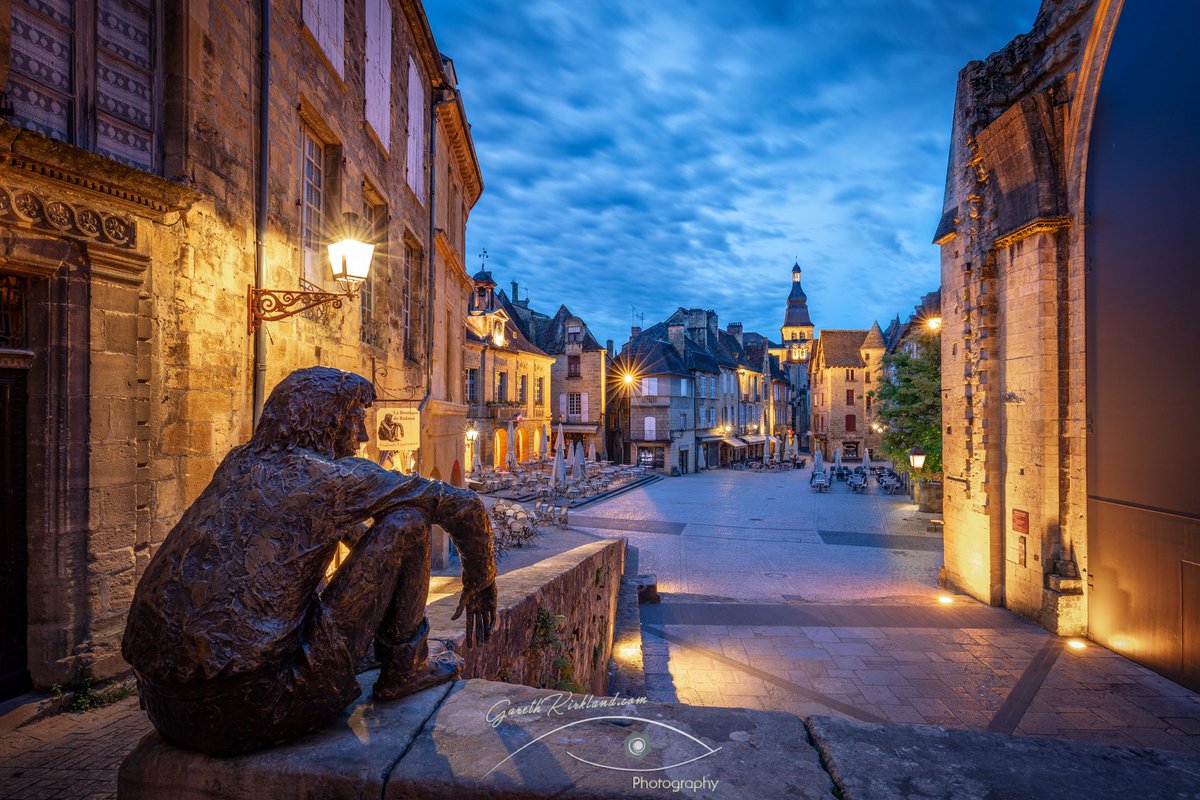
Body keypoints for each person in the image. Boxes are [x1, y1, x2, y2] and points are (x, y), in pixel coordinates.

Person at [122, 367, 496, 756]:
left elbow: (340, 532)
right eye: (356, 420)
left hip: (166, 706)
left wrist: (377, 565)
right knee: (410, 521)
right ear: (328, 421)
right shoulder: (332, 478)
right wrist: (481, 579)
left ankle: (382, 655)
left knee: (391, 524)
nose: (363, 435)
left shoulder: (240, 464)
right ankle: (405, 668)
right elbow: (464, 506)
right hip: (256, 706)